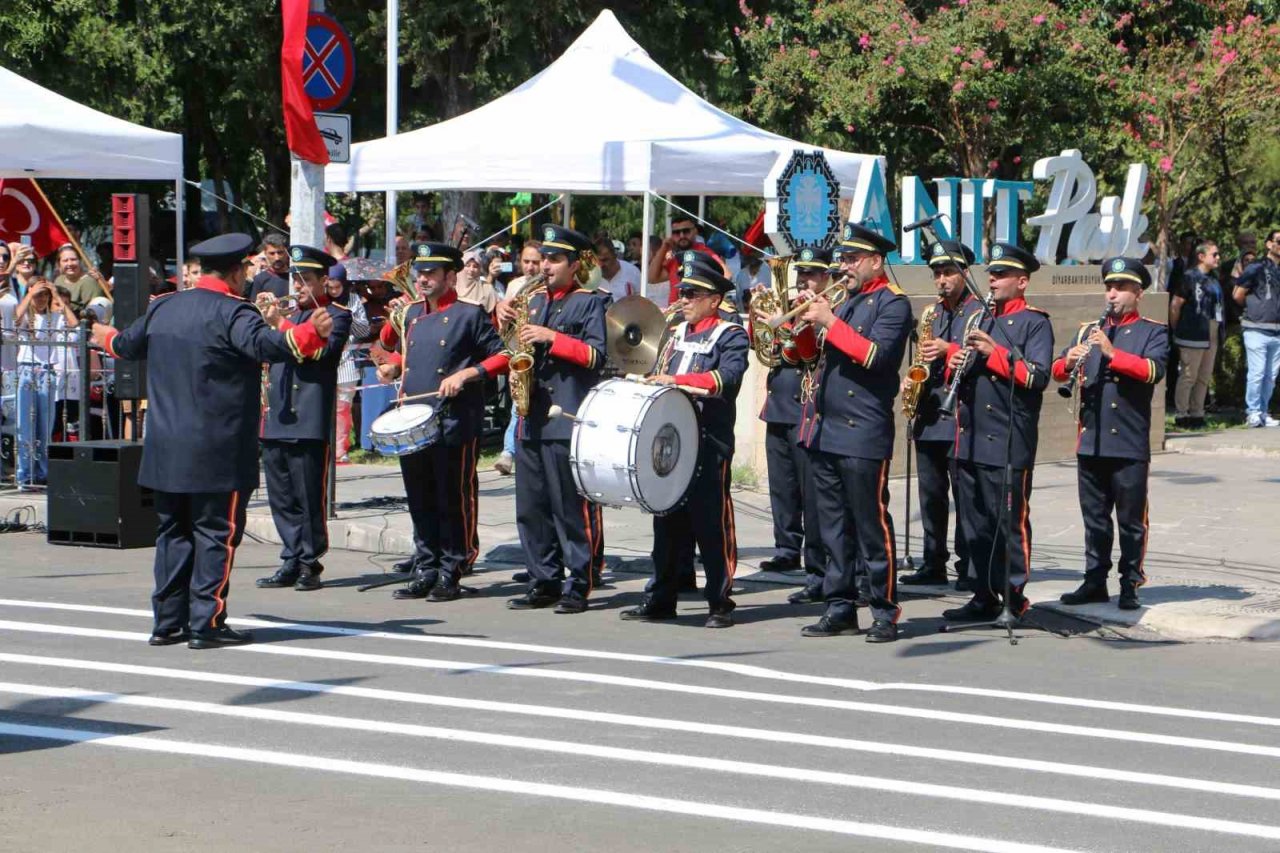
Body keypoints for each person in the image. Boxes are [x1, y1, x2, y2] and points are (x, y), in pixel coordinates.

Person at [91, 233, 333, 648]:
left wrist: (104, 335)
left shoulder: (165, 306)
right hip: (216, 449)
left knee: (172, 534)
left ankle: (167, 622)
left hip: (165, 447)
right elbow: (271, 346)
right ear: (237, 272)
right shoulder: (234, 312)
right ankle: (207, 622)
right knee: (215, 534)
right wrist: (310, 333)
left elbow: (124, 346)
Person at [786, 223, 911, 643]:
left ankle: (883, 609)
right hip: (825, 428)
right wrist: (802, 322)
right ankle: (838, 606)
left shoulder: (892, 304)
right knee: (831, 526)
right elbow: (806, 357)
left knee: (870, 525)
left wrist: (828, 320)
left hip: (862, 430)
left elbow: (875, 357)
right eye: (842, 259)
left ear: (876, 261)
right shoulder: (845, 302)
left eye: (853, 259)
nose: (844, 267)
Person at [374, 242, 509, 601]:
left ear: (451, 276)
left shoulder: (470, 313)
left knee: (453, 497)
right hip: (414, 419)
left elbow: (502, 356)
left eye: (432, 272)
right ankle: (427, 565)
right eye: (420, 272)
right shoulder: (413, 313)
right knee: (420, 497)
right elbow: (412, 352)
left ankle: (453, 568)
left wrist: (466, 375)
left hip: (453, 420)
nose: (422, 279)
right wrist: (392, 366)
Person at [622, 256, 748, 628]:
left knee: (711, 523)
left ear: (713, 300)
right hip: (672, 440)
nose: (685, 299)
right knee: (666, 521)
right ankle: (662, 595)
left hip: (709, 439)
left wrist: (677, 383)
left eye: (693, 294)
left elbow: (727, 379)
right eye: (683, 292)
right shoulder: (675, 333)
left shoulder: (730, 334)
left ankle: (719, 601)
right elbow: (651, 368)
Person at [497, 225, 606, 614]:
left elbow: (597, 356)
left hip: (568, 417)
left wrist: (552, 338)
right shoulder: (535, 299)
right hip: (531, 414)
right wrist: (504, 320)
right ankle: (543, 578)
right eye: (543, 258)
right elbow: (510, 349)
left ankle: (580, 581)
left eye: (555, 259)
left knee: (570, 507)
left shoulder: (590, 302)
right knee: (532, 506)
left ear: (575, 264)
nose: (546, 266)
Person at [942, 243, 1054, 624]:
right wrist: (952, 360)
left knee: (1008, 523)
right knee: (974, 525)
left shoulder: (1035, 322)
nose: (993, 279)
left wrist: (995, 353)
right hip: (969, 435)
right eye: (992, 273)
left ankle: (1013, 597)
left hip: (1007, 437)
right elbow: (959, 373)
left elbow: (1037, 376)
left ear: (1022, 282)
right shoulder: (976, 316)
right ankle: (982, 595)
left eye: (1002, 274)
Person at [1054, 258, 1168, 611]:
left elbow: (1152, 371)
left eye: (1120, 288)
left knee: (1131, 521)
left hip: (1129, 441)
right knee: (1095, 520)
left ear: (1138, 292)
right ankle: (1094, 581)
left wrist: (1111, 352)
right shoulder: (1089, 328)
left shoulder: (1153, 331)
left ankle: (1131, 582)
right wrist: (1071, 361)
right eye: (1109, 287)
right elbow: (1057, 371)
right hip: (1092, 438)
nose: (1112, 294)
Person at [253, 246, 354, 592]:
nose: (297, 286)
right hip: (276, 414)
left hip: (308, 416)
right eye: (295, 279)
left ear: (324, 281)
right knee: (281, 496)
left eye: (305, 280)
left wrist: (278, 324)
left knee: (308, 495)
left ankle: (310, 561)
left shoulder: (336, 315)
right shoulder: (292, 315)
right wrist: (272, 323)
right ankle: (290, 557)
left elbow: (321, 355)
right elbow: (265, 350)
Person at [899, 240, 981, 590]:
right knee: (931, 495)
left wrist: (949, 349)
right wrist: (913, 376)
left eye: (948, 272)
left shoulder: (979, 312)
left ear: (964, 272)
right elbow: (922, 360)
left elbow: (980, 357)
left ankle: (968, 565)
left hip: (961, 415)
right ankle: (933, 561)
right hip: (930, 414)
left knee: (964, 497)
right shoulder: (933, 313)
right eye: (937, 273)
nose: (942, 279)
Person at [748, 247, 829, 600]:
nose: (803, 281)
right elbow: (764, 350)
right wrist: (760, 319)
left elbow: (803, 354)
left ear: (826, 277)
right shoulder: (791, 306)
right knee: (782, 485)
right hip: (779, 402)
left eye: (812, 275)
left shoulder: (825, 312)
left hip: (806, 404)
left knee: (809, 491)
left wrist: (790, 322)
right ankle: (785, 548)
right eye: (801, 275)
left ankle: (817, 561)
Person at [13, 278, 80, 487]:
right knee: (25, 424)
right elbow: (16, 317)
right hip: (26, 369)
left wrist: (57, 295)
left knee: (45, 424)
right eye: (38, 295)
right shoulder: (26, 317)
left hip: (47, 372)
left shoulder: (54, 317)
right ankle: (25, 473)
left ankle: (43, 472)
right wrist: (30, 293)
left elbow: (75, 324)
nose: (41, 299)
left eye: (44, 295)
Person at [493, 240, 544, 476]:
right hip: (519, 351)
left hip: (540, 350)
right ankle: (509, 452)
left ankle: (512, 452)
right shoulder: (515, 285)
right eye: (526, 262)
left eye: (535, 262)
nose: (531, 267)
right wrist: (503, 312)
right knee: (518, 403)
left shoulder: (545, 286)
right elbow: (504, 326)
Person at [1169, 241, 1222, 429]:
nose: (1217, 258)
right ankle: (1181, 413)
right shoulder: (1189, 277)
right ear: (1201, 256)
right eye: (1214, 254)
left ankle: (1197, 412)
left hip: (1212, 329)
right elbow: (1176, 305)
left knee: (1204, 375)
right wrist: (1176, 328)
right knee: (1189, 374)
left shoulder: (1214, 278)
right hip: (1192, 329)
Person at [1233, 229, 1280, 428]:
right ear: (1269, 244)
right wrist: (1255, 309)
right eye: (1278, 240)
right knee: (1257, 372)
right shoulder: (1257, 267)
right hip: (1256, 328)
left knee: (1271, 376)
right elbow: (1238, 293)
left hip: (1277, 330)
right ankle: (1252, 412)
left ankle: (1263, 410)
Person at [645, 214, 725, 306]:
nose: (682, 236)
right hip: (675, 313)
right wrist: (664, 246)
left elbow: (726, 274)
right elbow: (652, 278)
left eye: (686, 231)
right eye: (676, 233)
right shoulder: (675, 258)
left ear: (695, 231)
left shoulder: (704, 253)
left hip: (696, 312)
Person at [52, 244, 107, 312]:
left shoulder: (88, 283)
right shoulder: (58, 280)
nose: (70, 264)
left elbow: (94, 312)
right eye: (65, 260)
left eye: (73, 259)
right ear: (59, 264)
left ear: (80, 261)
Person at [248, 233, 291, 301]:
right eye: (272, 253)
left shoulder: (295, 277)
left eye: (280, 253)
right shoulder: (260, 279)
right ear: (265, 253)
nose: (277, 258)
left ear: (287, 252)